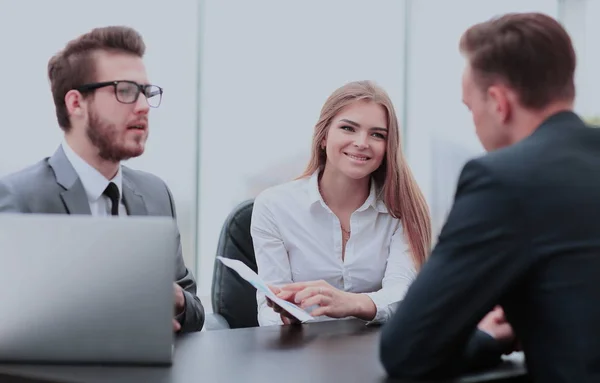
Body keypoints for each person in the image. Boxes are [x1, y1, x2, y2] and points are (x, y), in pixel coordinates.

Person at [379, 12, 600, 382]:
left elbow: (407, 348)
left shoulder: (504, 180)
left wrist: (488, 337)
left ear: (499, 103)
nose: (474, 122)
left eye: (471, 107)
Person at [0, 26, 205, 333]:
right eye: (125, 90)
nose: (144, 105)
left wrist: (174, 299)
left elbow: (196, 311)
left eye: (146, 91)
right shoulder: (19, 197)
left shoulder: (156, 194)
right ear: (75, 104)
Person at [250, 80, 432, 326]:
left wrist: (350, 303)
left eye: (377, 134)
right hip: (300, 352)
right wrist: (285, 315)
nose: (362, 142)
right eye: (348, 128)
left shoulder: (399, 209)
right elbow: (269, 310)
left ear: (388, 148)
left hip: (377, 351)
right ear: (323, 137)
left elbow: (403, 295)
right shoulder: (273, 206)